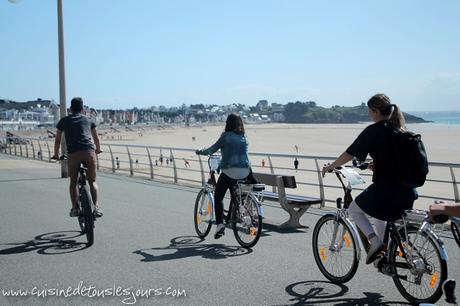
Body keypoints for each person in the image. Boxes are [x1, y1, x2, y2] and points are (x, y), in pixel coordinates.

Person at [321, 93, 418, 264]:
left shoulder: (375, 130)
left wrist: (331, 166)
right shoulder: (399, 130)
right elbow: (394, 159)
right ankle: (384, 255)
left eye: (369, 111)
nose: (368, 114)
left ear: (375, 111)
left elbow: (349, 153)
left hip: (386, 190)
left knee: (354, 209)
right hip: (408, 191)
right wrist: (377, 163)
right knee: (380, 214)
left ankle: (374, 241)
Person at [196, 113, 255, 239]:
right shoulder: (243, 136)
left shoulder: (226, 136)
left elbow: (212, 149)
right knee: (235, 191)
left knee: (218, 196)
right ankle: (235, 212)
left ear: (228, 124)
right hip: (246, 172)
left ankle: (220, 225)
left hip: (230, 171)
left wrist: (201, 151)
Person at [52, 97, 103, 218]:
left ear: (70, 109)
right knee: (93, 181)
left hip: (73, 154)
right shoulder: (89, 120)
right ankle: (95, 208)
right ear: (82, 109)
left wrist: (55, 154)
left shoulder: (63, 121)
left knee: (73, 182)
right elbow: (96, 138)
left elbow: (58, 140)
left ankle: (75, 209)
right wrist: (98, 149)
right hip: (89, 152)